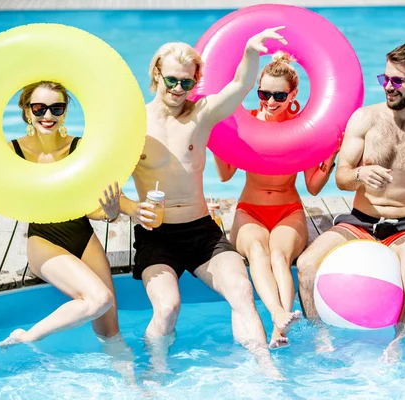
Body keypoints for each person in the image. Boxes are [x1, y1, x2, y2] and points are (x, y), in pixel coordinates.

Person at [118, 28, 288, 377]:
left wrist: (250, 50)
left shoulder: (201, 115)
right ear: (155, 75)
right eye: (171, 81)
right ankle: (156, 368)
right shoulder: (133, 124)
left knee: (242, 290)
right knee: (167, 308)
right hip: (157, 234)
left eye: (187, 83)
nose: (178, 91)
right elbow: (107, 187)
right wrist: (132, 208)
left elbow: (240, 86)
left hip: (201, 232)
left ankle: (266, 365)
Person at [0, 81, 136, 381]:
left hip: (83, 234)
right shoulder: (12, 152)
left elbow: (97, 208)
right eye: (39, 108)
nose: (47, 115)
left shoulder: (80, 149)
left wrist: (113, 212)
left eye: (57, 108)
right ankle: (28, 336)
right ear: (27, 111)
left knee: (110, 331)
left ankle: (132, 387)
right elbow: (1, 199)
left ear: (65, 112)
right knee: (99, 298)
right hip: (45, 239)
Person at [296, 44, 405, 362]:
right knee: (305, 266)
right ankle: (321, 335)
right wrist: (361, 174)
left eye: (398, 81)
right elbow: (342, 178)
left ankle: (401, 344)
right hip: (360, 221)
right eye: (385, 78)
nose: (387, 86)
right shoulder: (365, 119)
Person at [214, 51, 339, 349]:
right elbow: (225, 175)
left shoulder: (303, 128)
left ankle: (278, 329)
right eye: (263, 93)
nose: (269, 101)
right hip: (250, 209)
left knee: (279, 256)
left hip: (288, 209)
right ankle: (279, 316)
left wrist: (329, 158)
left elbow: (313, 187)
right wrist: (217, 142)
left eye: (279, 95)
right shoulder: (244, 123)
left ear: (293, 93)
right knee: (257, 250)